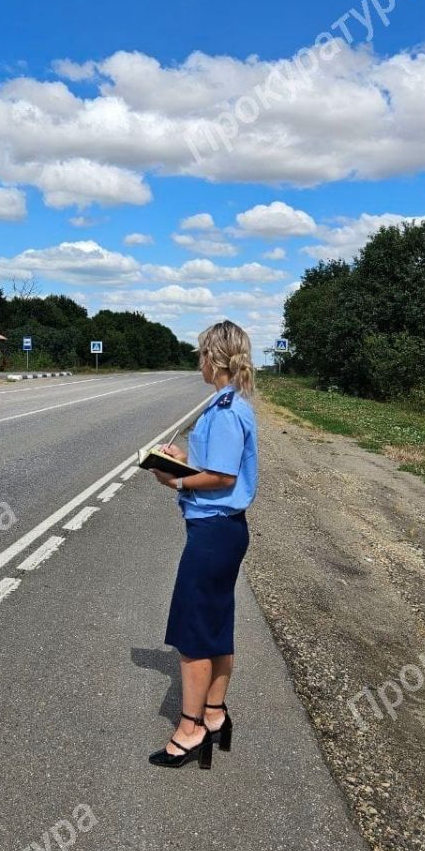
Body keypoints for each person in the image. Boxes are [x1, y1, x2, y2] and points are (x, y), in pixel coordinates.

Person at [148, 320, 258, 769]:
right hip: (221, 530)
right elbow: (214, 464)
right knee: (215, 625)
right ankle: (214, 715)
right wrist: (181, 459)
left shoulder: (228, 409)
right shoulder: (226, 404)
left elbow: (223, 477)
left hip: (214, 532)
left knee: (194, 634)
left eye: (200, 354)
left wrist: (174, 479)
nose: (198, 362)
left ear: (214, 358)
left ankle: (190, 728)